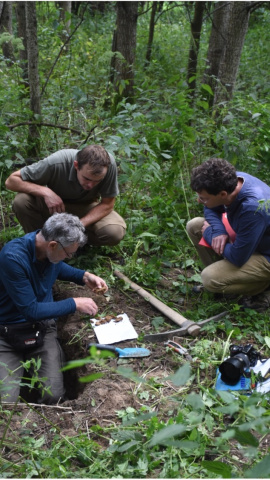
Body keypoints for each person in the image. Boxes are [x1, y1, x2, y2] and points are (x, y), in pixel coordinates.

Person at [0, 212, 108, 404]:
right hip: (7, 333)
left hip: (41, 330)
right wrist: (73, 303)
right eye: (69, 253)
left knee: (53, 396)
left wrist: (84, 276)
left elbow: (57, 267)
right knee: (6, 403)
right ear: (52, 245)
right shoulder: (13, 257)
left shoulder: (49, 253)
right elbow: (30, 310)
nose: (69, 257)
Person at [186, 158, 270, 308]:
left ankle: (262, 288)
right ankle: (227, 283)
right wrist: (218, 231)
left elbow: (238, 257)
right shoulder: (231, 180)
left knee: (209, 278)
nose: (199, 201)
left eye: (204, 198)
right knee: (195, 226)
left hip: (265, 254)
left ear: (223, 194)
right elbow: (210, 208)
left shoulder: (251, 207)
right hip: (251, 241)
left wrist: (210, 235)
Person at [5, 144, 126, 246]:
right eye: (87, 179)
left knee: (114, 231)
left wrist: (78, 225)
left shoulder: (109, 166)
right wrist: (46, 192)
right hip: (55, 207)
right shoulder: (57, 162)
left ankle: (73, 243)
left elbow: (107, 204)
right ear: (76, 165)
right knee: (22, 201)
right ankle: (41, 243)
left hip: (86, 206)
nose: (90, 185)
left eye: (97, 181)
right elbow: (11, 181)